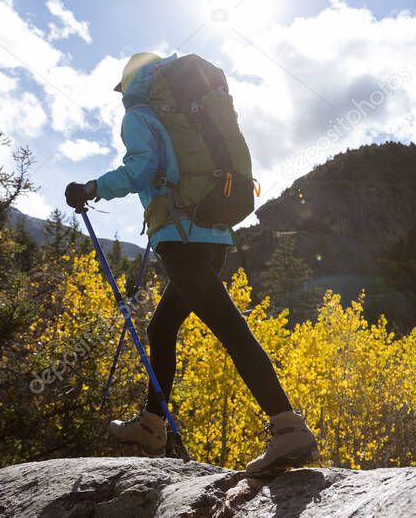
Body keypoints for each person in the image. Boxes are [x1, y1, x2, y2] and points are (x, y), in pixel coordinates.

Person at [65, 51, 318, 476]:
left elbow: (141, 169)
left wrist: (92, 188)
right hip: (213, 234)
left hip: (181, 239)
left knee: (229, 327)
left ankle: (287, 425)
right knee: (161, 327)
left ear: (129, 86)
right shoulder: (187, 109)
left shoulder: (140, 115)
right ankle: (151, 425)